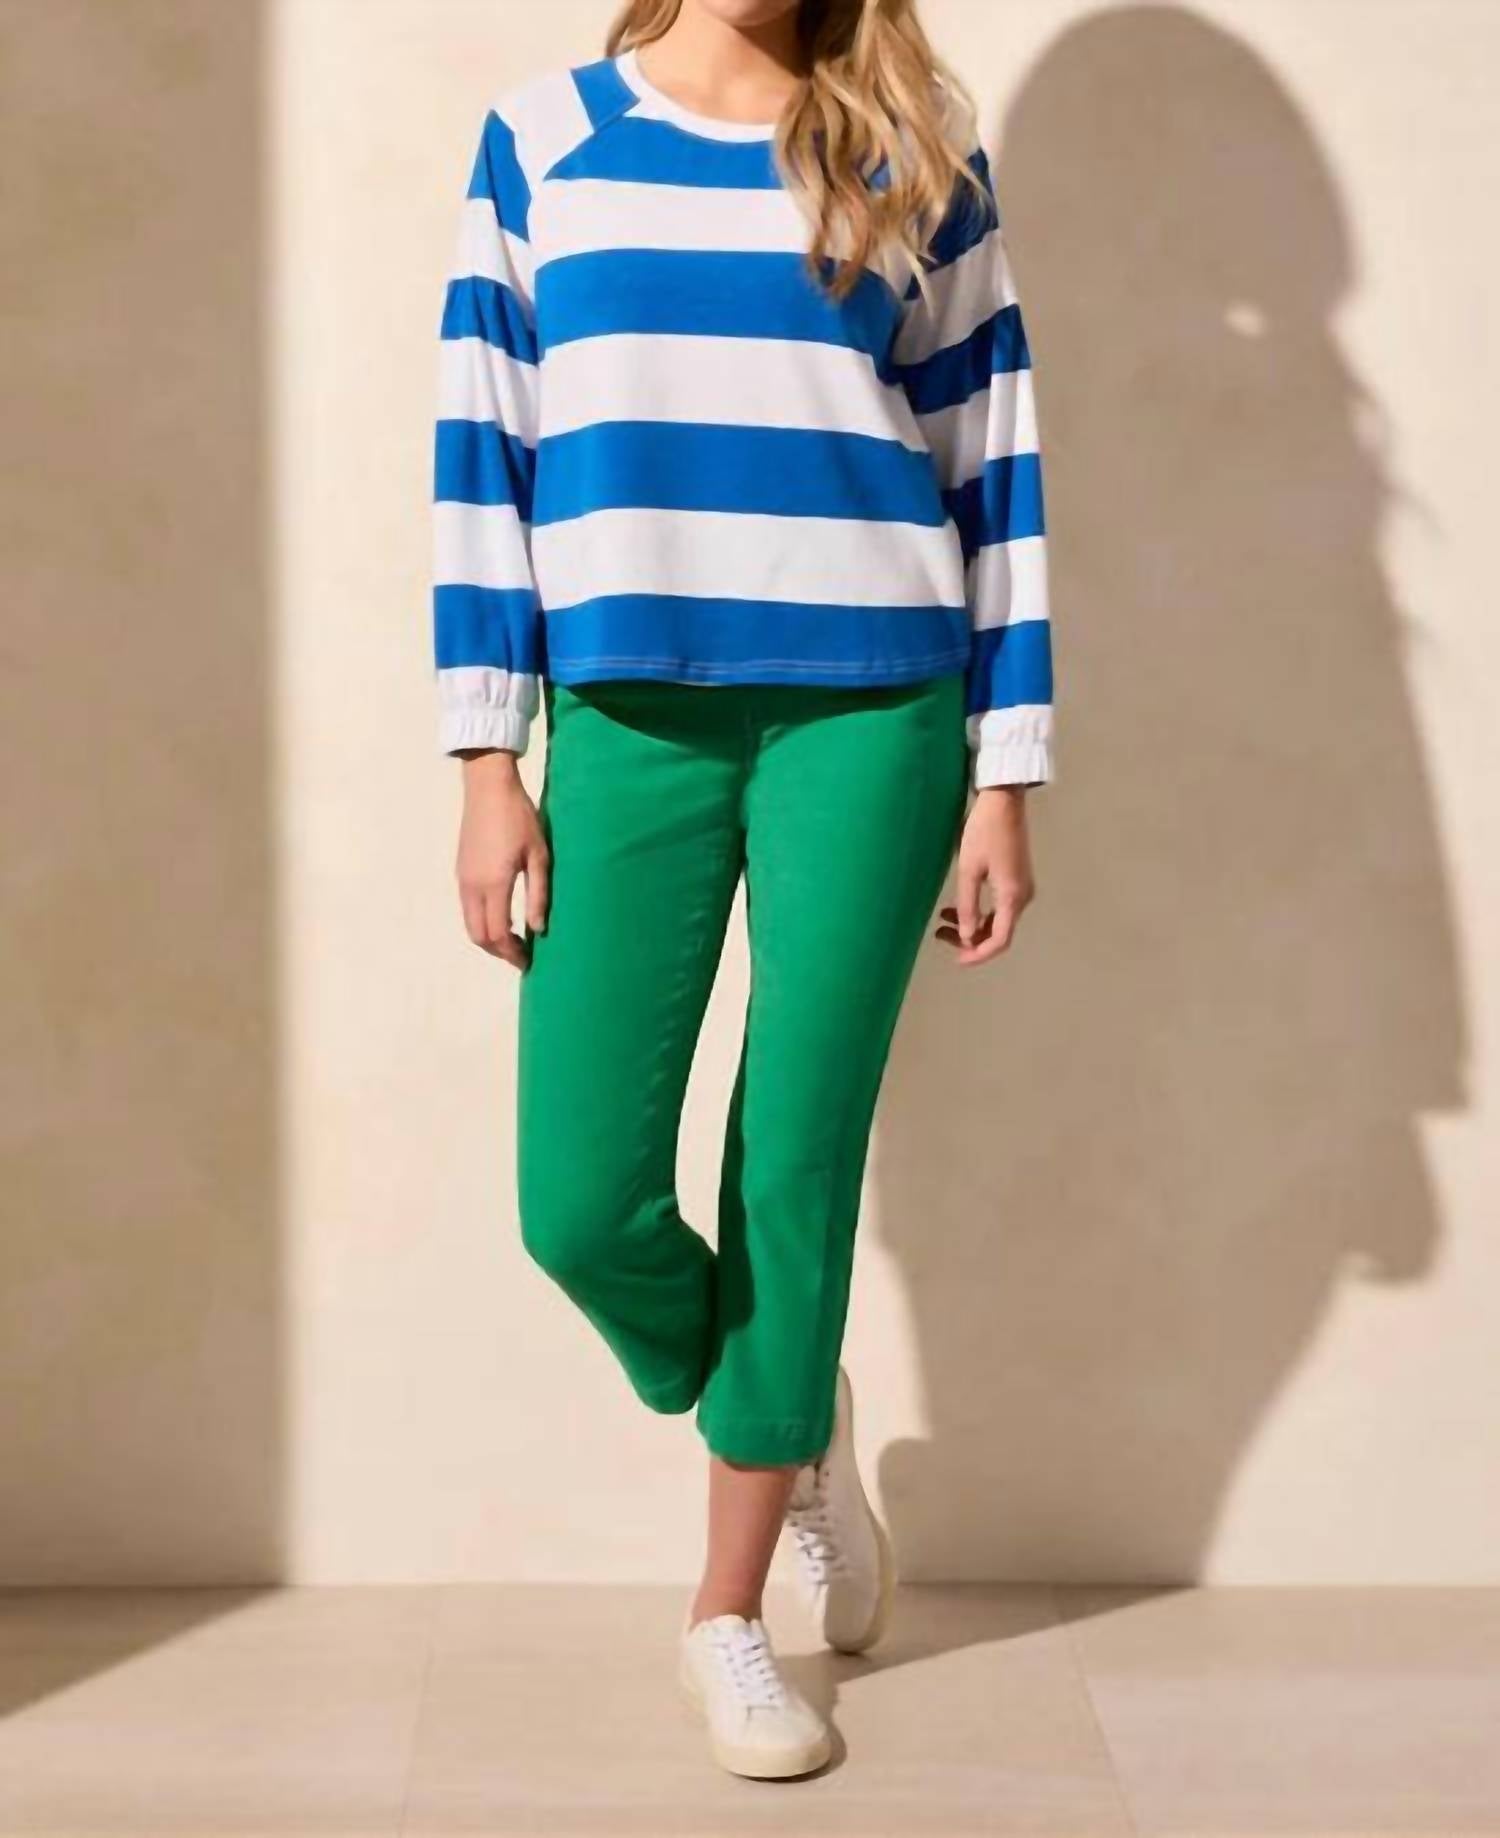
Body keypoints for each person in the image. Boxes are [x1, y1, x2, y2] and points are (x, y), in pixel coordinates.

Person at [433, 0, 1052, 1780]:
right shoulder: (543, 141)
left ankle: (727, 1614)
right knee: (579, 1200)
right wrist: (487, 761)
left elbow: (994, 462)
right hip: (625, 711)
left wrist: (1005, 772)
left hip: (877, 710)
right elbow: (483, 453)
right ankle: (786, 1404)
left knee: (794, 1159)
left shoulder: (912, 147)